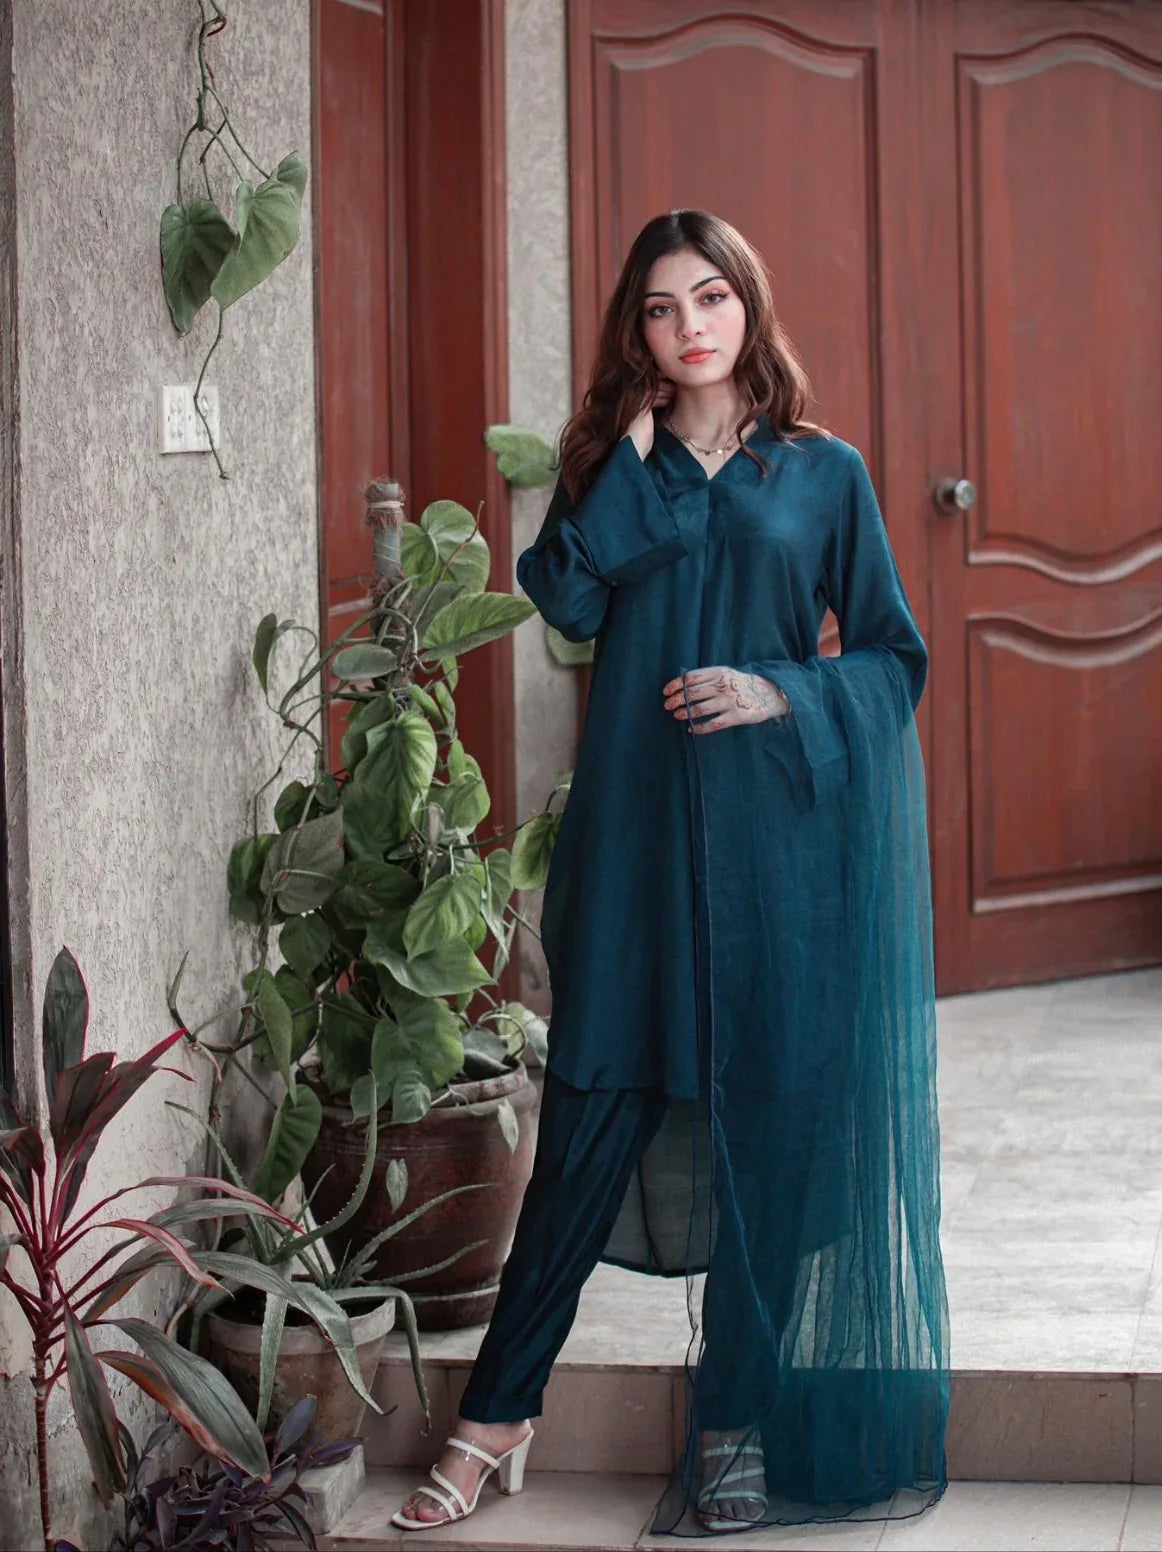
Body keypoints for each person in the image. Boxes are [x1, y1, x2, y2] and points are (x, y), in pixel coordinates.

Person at [391, 208, 950, 1537]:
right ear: (633, 332)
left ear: (746, 307)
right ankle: (494, 1419)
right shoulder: (611, 469)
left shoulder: (824, 475)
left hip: (777, 856)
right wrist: (636, 463)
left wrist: (775, 693)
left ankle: (739, 1426)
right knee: (583, 1137)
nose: (690, 325)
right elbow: (569, 608)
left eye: (710, 298)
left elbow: (890, 657)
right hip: (635, 854)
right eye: (660, 307)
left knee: (766, 1151)